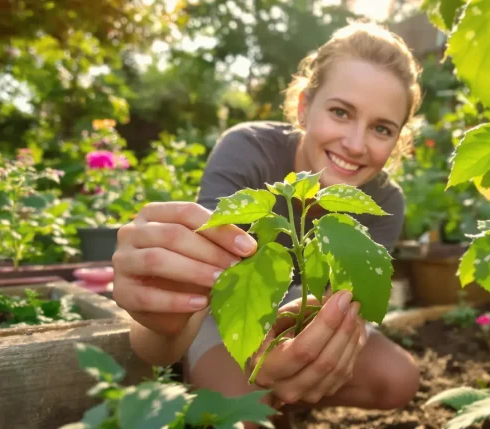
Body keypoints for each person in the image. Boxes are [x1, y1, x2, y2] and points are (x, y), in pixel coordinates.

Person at [111, 21, 422, 425]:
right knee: (242, 417)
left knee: (398, 379)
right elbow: (206, 286)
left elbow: (344, 310)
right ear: (303, 107)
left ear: (397, 140)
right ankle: (253, 399)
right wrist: (163, 323)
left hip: (301, 317)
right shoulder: (249, 150)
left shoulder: (383, 200)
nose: (357, 144)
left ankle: (283, 402)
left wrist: (304, 348)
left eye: (381, 128)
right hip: (226, 310)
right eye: (341, 112)